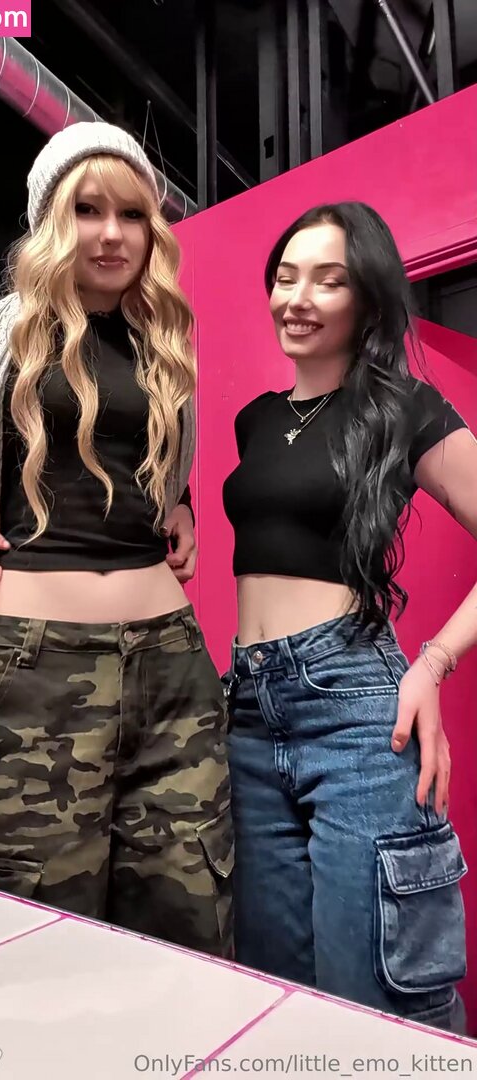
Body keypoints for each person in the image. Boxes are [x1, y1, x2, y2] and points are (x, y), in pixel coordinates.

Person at [0, 122, 233, 957]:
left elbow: (144, 464)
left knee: (186, 926)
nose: (112, 234)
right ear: (50, 221)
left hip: (173, 667)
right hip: (36, 672)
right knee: (22, 941)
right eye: (87, 210)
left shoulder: (163, 347)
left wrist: (179, 504)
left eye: (132, 214)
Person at [222, 201, 477, 1030]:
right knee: (274, 995)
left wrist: (433, 663)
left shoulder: (405, 408)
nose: (298, 298)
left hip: (356, 713)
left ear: (365, 298)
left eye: (327, 280)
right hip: (248, 713)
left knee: (371, 1007)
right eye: (286, 276)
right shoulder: (256, 420)